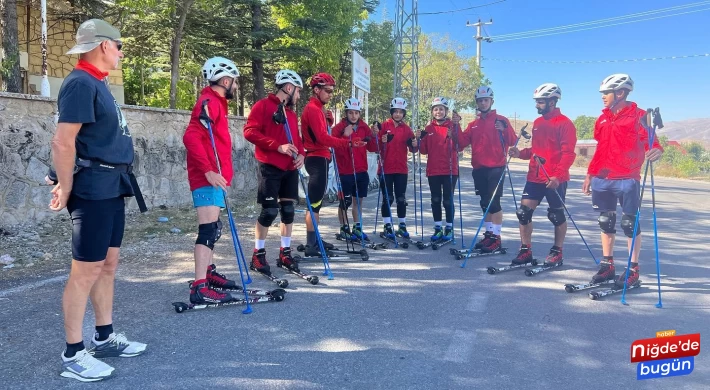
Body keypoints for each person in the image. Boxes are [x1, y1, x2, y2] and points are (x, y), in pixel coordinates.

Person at [50, 19, 146, 382]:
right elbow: (63, 141)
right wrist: (65, 184)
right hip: (91, 187)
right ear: (105, 45)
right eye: (119, 46)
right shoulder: (79, 83)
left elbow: (88, 137)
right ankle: (73, 353)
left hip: (112, 184)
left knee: (108, 263)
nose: (121, 52)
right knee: (86, 269)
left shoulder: (97, 83)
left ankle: (104, 337)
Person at [582, 74, 663, 287]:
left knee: (629, 223)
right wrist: (590, 173)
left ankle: (633, 269)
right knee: (605, 221)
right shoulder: (601, 118)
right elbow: (600, 149)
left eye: (606, 93)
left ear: (620, 93)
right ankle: (607, 265)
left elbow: (651, 141)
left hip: (627, 178)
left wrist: (656, 150)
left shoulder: (640, 116)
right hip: (602, 178)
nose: (603, 97)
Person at [182, 56, 241, 304]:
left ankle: (208, 272)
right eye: (235, 82)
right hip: (206, 177)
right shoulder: (209, 102)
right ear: (225, 81)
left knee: (214, 229)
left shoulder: (216, 103)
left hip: (215, 178)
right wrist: (208, 170)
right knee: (208, 230)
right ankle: (199, 287)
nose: (236, 87)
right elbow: (190, 137)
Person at [243, 69, 305, 274]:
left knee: (288, 212)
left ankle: (284, 253)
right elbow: (249, 132)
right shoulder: (262, 106)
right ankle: (258, 255)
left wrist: (302, 154)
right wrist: (277, 146)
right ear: (288, 88)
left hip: (289, 168)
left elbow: (297, 141)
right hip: (270, 166)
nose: (298, 96)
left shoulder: (291, 114)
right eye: (297, 92)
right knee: (269, 211)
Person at [508, 83, 577, 266]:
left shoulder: (565, 123)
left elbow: (569, 154)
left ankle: (557, 252)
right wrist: (520, 153)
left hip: (554, 178)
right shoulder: (537, 123)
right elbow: (535, 150)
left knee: (556, 216)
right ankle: (525, 251)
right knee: (523, 213)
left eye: (540, 102)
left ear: (552, 102)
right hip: (534, 177)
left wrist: (558, 176)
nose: (537, 105)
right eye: (537, 101)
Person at [301, 73, 365, 256]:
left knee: (317, 203)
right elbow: (322, 138)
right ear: (316, 90)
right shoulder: (313, 109)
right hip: (316, 159)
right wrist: (348, 142)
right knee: (314, 204)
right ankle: (311, 244)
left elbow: (321, 132)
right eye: (327, 90)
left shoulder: (319, 109)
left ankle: (314, 239)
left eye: (331, 91)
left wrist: (328, 121)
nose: (330, 94)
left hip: (321, 158)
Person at [458, 86, 516, 253]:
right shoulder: (473, 125)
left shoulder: (501, 119)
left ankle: (496, 237)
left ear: (491, 101)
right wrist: (455, 127)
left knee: (494, 202)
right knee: (484, 203)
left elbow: (512, 140)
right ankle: (489, 235)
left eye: (486, 100)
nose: (483, 103)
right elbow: (461, 143)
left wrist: (504, 129)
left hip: (496, 167)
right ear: (477, 103)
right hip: (479, 168)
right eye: (480, 101)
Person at [331, 98, 377, 241]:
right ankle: (344, 228)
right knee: (345, 201)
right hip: (345, 170)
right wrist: (345, 135)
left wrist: (375, 136)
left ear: (359, 114)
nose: (353, 116)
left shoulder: (364, 127)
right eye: (350, 113)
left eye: (356, 113)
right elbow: (333, 145)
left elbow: (373, 148)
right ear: (346, 113)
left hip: (361, 170)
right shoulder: (339, 128)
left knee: (358, 201)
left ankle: (357, 228)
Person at [419, 97, 461, 242]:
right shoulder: (428, 128)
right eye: (436, 109)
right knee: (435, 199)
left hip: (450, 169)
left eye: (441, 109)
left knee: (448, 200)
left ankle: (449, 227)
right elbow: (423, 151)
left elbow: (459, 145)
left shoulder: (453, 125)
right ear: (432, 112)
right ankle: (438, 228)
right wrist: (419, 139)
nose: (438, 112)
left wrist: (453, 135)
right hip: (433, 170)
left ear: (446, 111)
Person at [374, 97, 417, 240]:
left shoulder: (406, 129)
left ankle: (402, 225)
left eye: (400, 112)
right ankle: (387, 225)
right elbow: (376, 147)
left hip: (401, 169)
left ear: (404, 113)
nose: (398, 114)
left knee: (401, 198)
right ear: (391, 112)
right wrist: (380, 140)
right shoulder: (384, 126)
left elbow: (413, 148)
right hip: (386, 169)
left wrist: (415, 143)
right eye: (395, 111)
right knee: (388, 198)